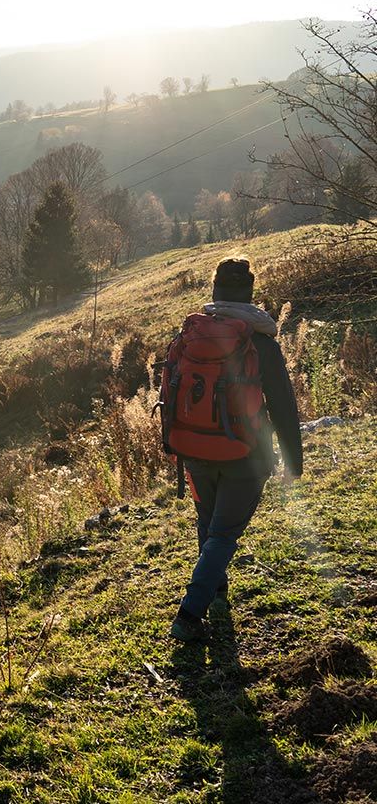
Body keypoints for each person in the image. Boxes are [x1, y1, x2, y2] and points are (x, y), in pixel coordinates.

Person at [165, 257, 303, 642]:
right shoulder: (260, 343)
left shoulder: (190, 336)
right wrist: (294, 460)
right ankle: (189, 616)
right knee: (223, 534)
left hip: (194, 449)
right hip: (245, 456)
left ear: (215, 292)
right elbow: (283, 405)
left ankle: (216, 593)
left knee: (209, 526)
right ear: (250, 294)